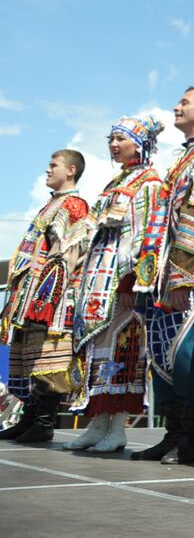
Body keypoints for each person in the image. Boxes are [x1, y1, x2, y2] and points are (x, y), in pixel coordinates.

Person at [131, 87, 194, 465]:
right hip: (165, 274)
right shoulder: (184, 158)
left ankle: (191, 441)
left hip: (190, 274)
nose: (177, 106)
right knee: (163, 356)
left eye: (185, 102)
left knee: (188, 354)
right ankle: (172, 435)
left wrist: (181, 275)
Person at [67, 116, 164, 453]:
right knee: (98, 349)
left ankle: (117, 426)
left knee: (123, 348)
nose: (113, 145)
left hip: (121, 281)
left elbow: (146, 234)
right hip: (98, 279)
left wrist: (130, 281)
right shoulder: (116, 182)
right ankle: (97, 422)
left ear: (140, 144)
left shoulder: (150, 183)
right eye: (111, 139)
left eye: (120, 139)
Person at [0, 150, 89, 443]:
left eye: (54, 165)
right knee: (30, 358)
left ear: (71, 170)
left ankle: (44, 423)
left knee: (47, 359)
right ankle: (29, 419)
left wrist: (47, 297)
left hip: (50, 297)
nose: (47, 170)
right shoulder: (52, 205)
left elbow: (67, 254)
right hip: (34, 295)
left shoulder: (73, 205)